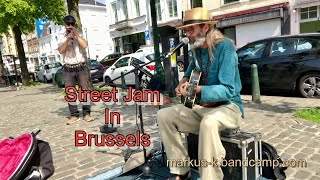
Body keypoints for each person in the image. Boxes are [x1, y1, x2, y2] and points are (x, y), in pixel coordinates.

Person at [157, 7, 244, 180]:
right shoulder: (196, 49)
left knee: (208, 123)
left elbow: (228, 90)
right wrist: (184, 80)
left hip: (229, 108)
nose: (187, 34)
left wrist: (199, 90)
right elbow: (191, 69)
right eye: (186, 30)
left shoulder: (225, 48)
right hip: (202, 108)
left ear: (205, 28)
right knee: (164, 115)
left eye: (191, 29)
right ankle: (181, 170)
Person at [58, 15, 94, 125]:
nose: (70, 26)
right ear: (64, 25)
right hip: (68, 68)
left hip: (81, 67)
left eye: (72, 24)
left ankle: (87, 113)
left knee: (85, 91)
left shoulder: (80, 34)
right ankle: (74, 115)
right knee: (70, 92)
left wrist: (76, 35)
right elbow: (60, 50)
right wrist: (68, 38)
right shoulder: (60, 36)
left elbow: (84, 45)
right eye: (68, 24)